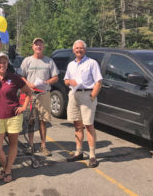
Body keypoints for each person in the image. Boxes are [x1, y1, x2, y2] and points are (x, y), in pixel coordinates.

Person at [0, 52, 31, 183]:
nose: (2, 64)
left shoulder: (14, 77)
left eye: (4, 62)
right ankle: (6, 166)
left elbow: (29, 92)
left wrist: (24, 107)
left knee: (13, 144)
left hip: (14, 116)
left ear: (7, 63)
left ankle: (7, 170)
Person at [64, 39, 102, 168]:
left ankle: (92, 156)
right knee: (77, 125)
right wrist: (70, 82)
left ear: (85, 50)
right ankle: (79, 152)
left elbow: (98, 81)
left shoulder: (92, 63)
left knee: (88, 125)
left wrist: (92, 96)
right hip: (74, 95)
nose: (79, 50)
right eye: (77, 48)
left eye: (81, 48)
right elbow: (65, 80)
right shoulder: (71, 65)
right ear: (73, 50)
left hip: (87, 95)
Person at [20, 38, 59, 156]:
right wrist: (28, 84)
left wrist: (46, 82)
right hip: (30, 95)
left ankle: (43, 145)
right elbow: (21, 76)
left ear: (43, 47)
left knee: (43, 120)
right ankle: (30, 145)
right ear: (33, 47)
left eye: (40, 45)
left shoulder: (49, 61)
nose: (38, 47)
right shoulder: (27, 61)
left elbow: (56, 77)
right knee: (31, 120)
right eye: (36, 45)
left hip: (44, 95)